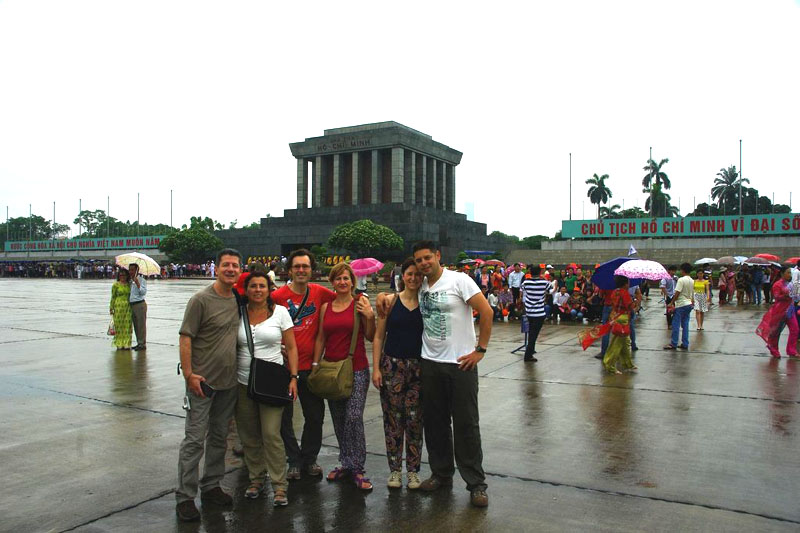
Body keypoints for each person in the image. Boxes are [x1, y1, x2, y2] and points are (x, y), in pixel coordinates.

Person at [175, 249, 243, 522]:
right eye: (225, 265)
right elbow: (185, 337)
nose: (230, 269)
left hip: (228, 384)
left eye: (235, 266)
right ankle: (185, 497)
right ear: (216, 268)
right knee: (194, 441)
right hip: (202, 384)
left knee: (218, 439)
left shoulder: (238, 299)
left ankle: (212, 485)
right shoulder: (200, 300)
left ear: (240, 270)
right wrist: (189, 374)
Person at [234, 271, 299, 506]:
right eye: (253, 286)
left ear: (269, 289)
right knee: (249, 435)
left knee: (271, 434)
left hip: (272, 384)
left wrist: (293, 377)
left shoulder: (280, 312)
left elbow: (291, 347)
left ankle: (279, 486)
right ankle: (256, 479)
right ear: (246, 289)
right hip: (242, 383)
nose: (258, 290)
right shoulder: (238, 313)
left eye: (262, 286)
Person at [273, 249, 336, 480]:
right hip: (283, 368)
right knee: (284, 419)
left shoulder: (319, 293)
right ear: (289, 270)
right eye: (297, 266)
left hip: (311, 367)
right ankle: (294, 460)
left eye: (305, 267)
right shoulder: (277, 296)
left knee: (315, 416)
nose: (301, 270)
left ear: (312, 270)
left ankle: (310, 459)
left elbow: (344, 298)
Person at [314, 262, 376, 491]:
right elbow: (321, 337)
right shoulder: (325, 308)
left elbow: (370, 336)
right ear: (332, 282)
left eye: (346, 278)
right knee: (339, 419)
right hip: (331, 370)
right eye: (338, 279)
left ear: (352, 282)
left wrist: (369, 316)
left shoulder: (360, 304)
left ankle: (357, 467)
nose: (342, 282)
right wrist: (315, 363)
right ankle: (346, 463)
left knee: (352, 417)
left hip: (356, 368)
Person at [371, 257, 424, 490]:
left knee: (415, 420)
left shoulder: (427, 302)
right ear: (403, 276)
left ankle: (413, 471)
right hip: (392, 367)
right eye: (409, 274)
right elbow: (379, 337)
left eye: (417, 274)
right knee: (393, 420)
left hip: (419, 368)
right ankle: (395, 470)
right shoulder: (390, 302)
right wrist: (376, 368)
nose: (413, 278)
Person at [579, 275, 637, 374]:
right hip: (623, 319)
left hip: (615, 316)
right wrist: (636, 303)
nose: (629, 284)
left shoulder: (615, 292)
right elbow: (630, 306)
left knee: (625, 342)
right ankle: (609, 364)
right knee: (617, 344)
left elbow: (606, 299)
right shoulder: (624, 293)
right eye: (628, 282)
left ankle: (627, 363)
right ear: (625, 284)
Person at [756, 266, 798, 358]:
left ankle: (791, 350)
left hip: (790, 311)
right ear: (782, 273)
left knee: (795, 330)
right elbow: (777, 297)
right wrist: (787, 295)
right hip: (779, 311)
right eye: (788, 273)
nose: (790, 275)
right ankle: (774, 348)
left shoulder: (791, 283)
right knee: (775, 332)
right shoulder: (777, 284)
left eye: (791, 273)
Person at [520, 265, 551, 362]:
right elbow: (552, 289)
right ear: (540, 272)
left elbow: (522, 290)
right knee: (534, 335)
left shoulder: (526, 282)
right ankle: (528, 355)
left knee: (531, 333)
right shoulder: (544, 282)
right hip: (539, 312)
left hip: (529, 312)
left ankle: (531, 351)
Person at [664, 263, 694, 351]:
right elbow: (692, 293)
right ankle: (685, 343)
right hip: (688, 304)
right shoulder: (692, 280)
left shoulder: (681, 280)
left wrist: (672, 302)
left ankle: (674, 343)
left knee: (675, 324)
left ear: (683, 270)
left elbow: (677, 293)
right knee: (685, 324)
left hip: (681, 304)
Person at [109, 269, 133, 350]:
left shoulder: (130, 285)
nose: (122, 277)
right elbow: (113, 297)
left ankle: (127, 342)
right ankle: (119, 342)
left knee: (127, 325)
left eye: (124, 275)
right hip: (118, 307)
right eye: (121, 275)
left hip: (128, 307)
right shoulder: (115, 285)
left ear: (127, 276)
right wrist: (111, 307)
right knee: (119, 325)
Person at [128, 263, 147, 351]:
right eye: (130, 269)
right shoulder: (129, 281)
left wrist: (137, 283)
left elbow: (143, 292)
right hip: (132, 305)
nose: (131, 271)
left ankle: (142, 344)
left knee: (141, 325)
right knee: (135, 325)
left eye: (133, 270)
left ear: (137, 270)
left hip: (139, 304)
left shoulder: (141, 280)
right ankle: (138, 342)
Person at [627, 284, 642, 351]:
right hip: (631, 305)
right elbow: (639, 294)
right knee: (631, 326)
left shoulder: (619, 282)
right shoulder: (634, 282)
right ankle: (633, 344)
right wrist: (637, 306)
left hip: (624, 308)